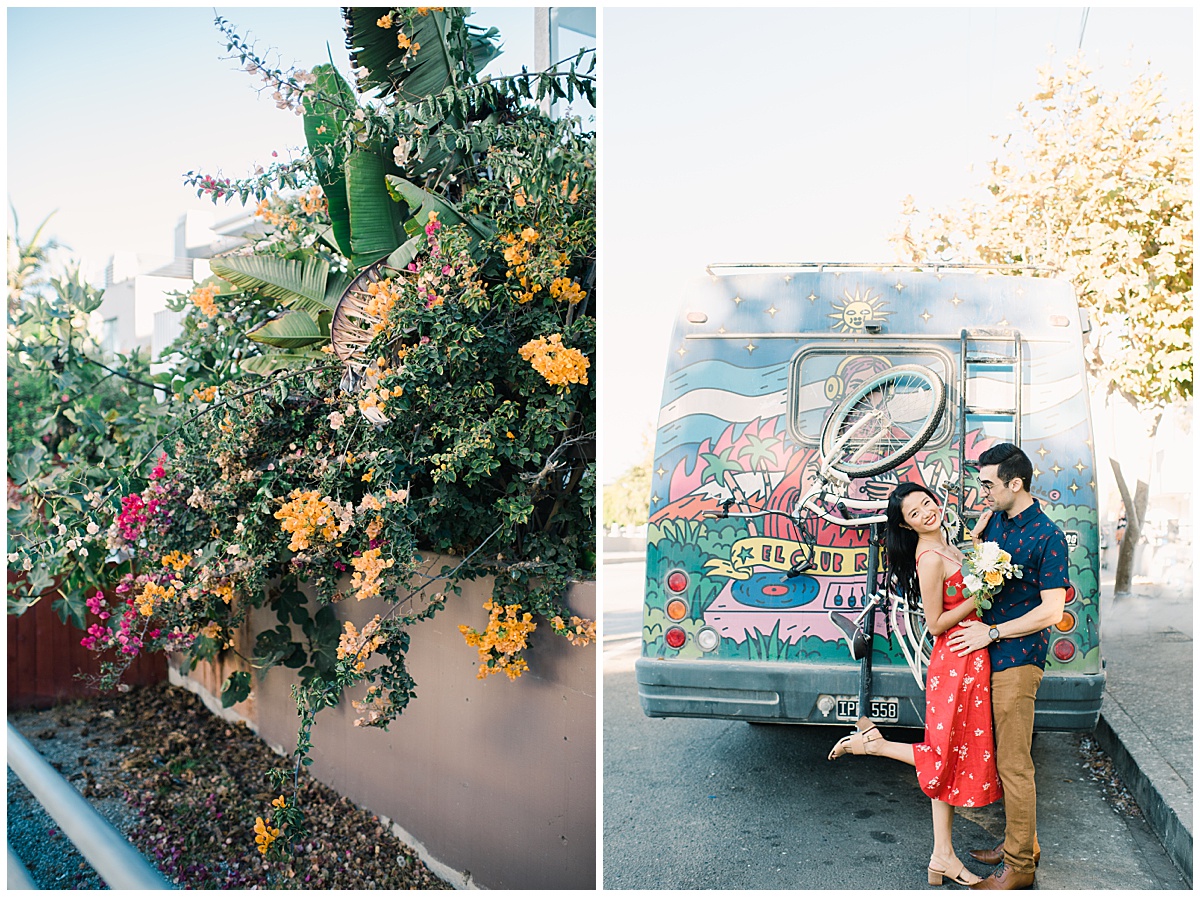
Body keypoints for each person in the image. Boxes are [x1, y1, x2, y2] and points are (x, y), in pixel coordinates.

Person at [828, 482, 1000, 888]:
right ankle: (873, 744)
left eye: (926, 503)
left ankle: (942, 855)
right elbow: (937, 622)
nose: (926, 512)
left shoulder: (949, 546)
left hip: (971, 658)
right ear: (906, 526)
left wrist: (977, 544)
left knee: (954, 755)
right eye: (915, 514)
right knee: (943, 754)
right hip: (955, 660)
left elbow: (966, 575)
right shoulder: (928, 558)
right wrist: (983, 595)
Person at [947, 443, 1069, 890]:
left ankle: (1019, 867)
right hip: (988, 656)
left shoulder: (1047, 536)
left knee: (1015, 765)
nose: (982, 492)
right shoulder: (996, 520)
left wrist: (994, 633)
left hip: (1018, 660)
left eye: (988, 484)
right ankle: (1024, 841)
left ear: (1015, 484)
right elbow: (986, 579)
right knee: (1002, 759)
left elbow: (1052, 611)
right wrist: (977, 541)